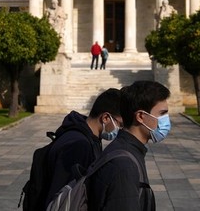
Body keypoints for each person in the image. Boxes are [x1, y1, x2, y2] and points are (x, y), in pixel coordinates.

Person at [87, 81, 171, 210]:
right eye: (162, 113)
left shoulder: (129, 150)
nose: (166, 119)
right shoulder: (124, 164)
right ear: (141, 116)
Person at [44, 88, 123, 208]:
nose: (120, 129)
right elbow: (63, 197)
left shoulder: (90, 138)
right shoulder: (79, 146)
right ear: (105, 118)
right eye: (120, 124)